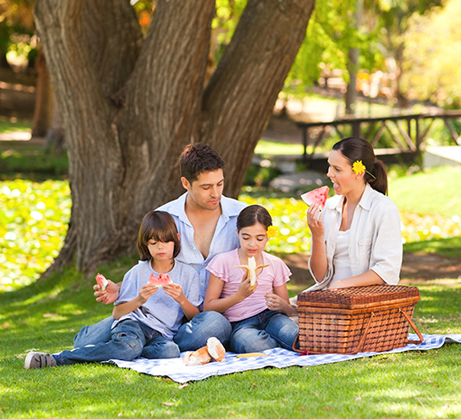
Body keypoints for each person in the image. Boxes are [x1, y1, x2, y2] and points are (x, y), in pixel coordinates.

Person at [73, 143, 247, 351]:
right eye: (206, 187)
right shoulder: (165, 216)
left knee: (216, 324)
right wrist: (119, 288)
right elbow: (150, 268)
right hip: (159, 311)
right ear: (186, 183)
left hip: (207, 315)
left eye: (220, 184)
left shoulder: (241, 216)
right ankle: (156, 342)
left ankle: (156, 344)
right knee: (83, 343)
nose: (216, 194)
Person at [25, 211, 202, 369]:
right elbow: (117, 313)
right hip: (134, 324)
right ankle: (59, 359)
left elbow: (195, 316)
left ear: (177, 239)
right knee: (128, 347)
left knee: (170, 351)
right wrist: (139, 300)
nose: (160, 247)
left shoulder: (189, 274)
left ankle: (130, 349)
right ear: (146, 244)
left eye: (166, 241)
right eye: (154, 242)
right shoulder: (137, 272)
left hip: (162, 335)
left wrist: (181, 299)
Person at [306, 137, 402, 291]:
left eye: (337, 169)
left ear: (358, 173)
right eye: (329, 166)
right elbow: (320, 277)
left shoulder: (383, 208)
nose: (329, 174)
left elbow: (388, 269)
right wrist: (317, 235)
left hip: (364, 302)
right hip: (327, 298)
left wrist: (343, 284)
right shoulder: (329, 207)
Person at [204, 205, 299, 353]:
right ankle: (275, 343)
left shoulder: (275, 263)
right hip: (240, 324)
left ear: (268, 236)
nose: (251, 244)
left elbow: (288, 311)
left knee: (297, 338)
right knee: (254, 346)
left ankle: (279, 341)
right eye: (246, 237)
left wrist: (281, 305)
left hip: (271, 316)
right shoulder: (223, 261)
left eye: (259, 238)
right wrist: (238, 296)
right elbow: (208, 307)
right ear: (237, 233)